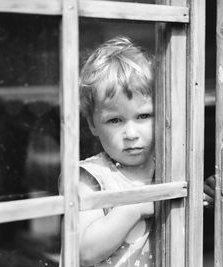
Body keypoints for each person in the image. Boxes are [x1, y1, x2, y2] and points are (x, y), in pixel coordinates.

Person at [77, 36, 156, 267]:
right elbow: (85, 252)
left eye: (143, 116)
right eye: (115, 120)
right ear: (92, 124)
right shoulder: (89, 177)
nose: (131, 133)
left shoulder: (169, 164)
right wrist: (136, 205)